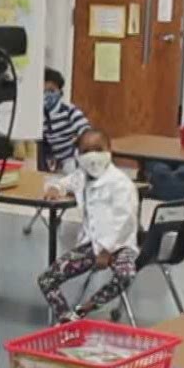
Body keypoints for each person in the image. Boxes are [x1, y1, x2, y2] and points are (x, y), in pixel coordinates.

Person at [38, 129, 140, 323]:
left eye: (98, 149)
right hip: (89, 246)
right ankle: (68, 319)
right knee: (47, 279)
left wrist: (107, 250)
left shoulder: (120, 183)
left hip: (119, 246)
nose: (92, 156)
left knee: (126, 274)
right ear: (78, 154)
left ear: (109, 150)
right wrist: (54, 188)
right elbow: (63, 183)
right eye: (86, 151)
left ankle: (87, 307)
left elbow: (125, 220)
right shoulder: (81, 177)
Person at [39, 68, 91, 175]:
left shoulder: (69, 111)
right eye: (43, 91)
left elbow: (86, 132)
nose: (47, 95)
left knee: (71, 170)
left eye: (52, 91)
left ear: (60, 92)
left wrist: (78, 141)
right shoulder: (38, 115)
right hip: (51, 160)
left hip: (71, 157)